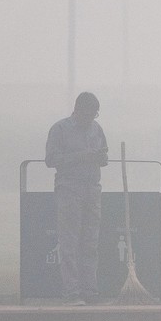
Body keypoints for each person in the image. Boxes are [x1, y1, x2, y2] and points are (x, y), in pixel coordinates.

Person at [45, 92, 109, 305]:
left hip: (92, 189)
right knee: (69, 241)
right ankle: (71, 292)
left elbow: (102, 156)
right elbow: (51, 160)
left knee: (90, 242)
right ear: (78, 109)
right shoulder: (60, 129)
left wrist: (101, 158)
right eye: (89, 113)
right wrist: (81, 157)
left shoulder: (97, 129)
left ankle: (91, 290)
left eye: (95, 114)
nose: (92, 118)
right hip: (69, 190)